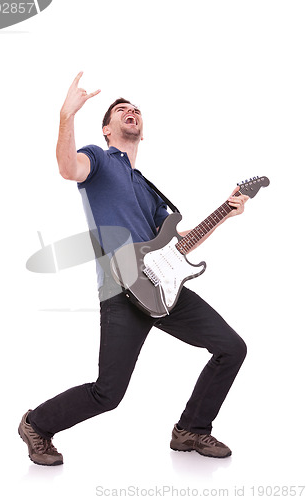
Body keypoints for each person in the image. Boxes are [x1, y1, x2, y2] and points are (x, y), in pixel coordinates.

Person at [18, 72, 248, 466]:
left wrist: (226, 211)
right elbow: (67, 168)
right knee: (108, 394)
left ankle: (191, 430)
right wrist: (66, 116)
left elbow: (179, 239)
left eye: (135, 109)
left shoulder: (146, 186)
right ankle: (36, 424)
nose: (131, 110)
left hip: (163, 287)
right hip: (120, 290)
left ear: (143, 131)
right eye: (120, 109)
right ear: (107, 129)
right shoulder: (99, 160)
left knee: (231, 348)